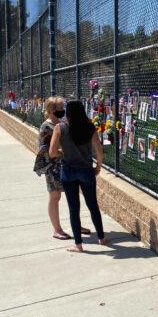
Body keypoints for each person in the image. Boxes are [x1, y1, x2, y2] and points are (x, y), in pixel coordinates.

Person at [49, 100, 107, 253]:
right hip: (86, 170)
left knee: (73, 208)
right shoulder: (89, 127)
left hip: (68, 171)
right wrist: (98, 167)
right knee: (92, 205)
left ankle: (78, 244)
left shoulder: (60, 128)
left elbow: (52, 153)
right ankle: (101, 237)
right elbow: (99, 151)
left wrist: (63, 152)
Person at [38, 97, 87, 240]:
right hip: (53, 166)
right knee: (55, 196)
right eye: (60, 108)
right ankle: (57, 229)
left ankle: (76, 224)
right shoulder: (46, 127)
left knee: (74, 195)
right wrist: (62, 151)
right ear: (52, 110)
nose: (63, 110)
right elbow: (44, 150)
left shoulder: (62, 123)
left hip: (67, 165)